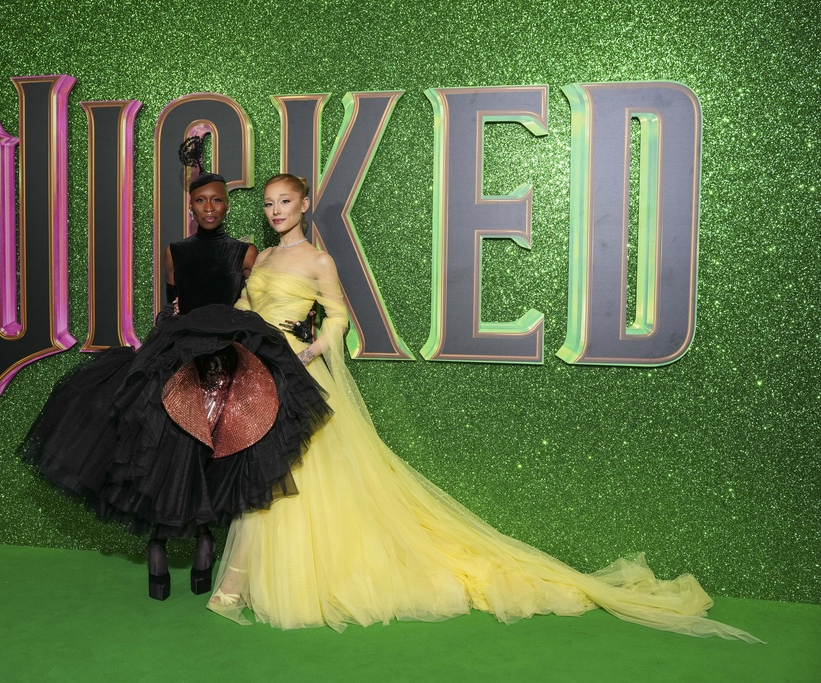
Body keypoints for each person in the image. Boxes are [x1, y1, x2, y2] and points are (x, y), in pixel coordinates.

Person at [206, 173, 760, 642]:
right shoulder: (264, 259)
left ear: (304, 205)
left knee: (291, 474)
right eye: (270, 203)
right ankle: (245, 581)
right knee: (262, 472)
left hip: (297, 375)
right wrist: (224, 333)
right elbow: (243, 307)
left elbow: (339, 316)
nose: (276, 211)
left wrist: (314, 346)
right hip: (260, 375)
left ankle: (248, 583)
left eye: (285, 202)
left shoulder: (317, 260)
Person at [19, 149, 330, 601]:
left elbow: (262, 298)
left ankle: (205, 543)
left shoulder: (248, 254)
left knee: (211, 448)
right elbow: (176, 300)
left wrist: (303, 325)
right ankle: (157, 549)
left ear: (227, 204)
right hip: (178, 348)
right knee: (160, 443)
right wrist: (169, 326)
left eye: (217, 200)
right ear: (191, 206)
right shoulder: (174, 252)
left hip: (226, 355)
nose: (209, 207)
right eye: (200, 200)